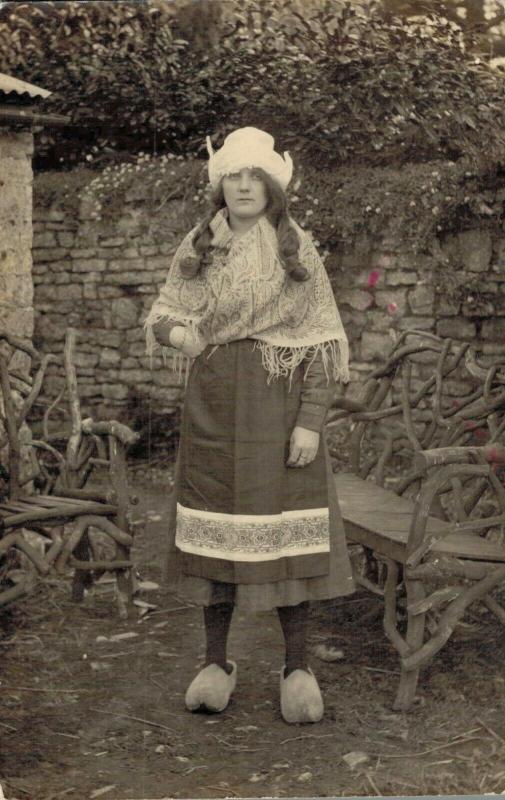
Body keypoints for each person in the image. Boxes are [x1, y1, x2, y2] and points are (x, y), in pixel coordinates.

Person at [145, 127, 354, 724]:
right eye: (232, 176)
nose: (242, 186)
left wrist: (310, 423)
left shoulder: (297, 247)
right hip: (212, 405)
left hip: (281, 405)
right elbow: (163, 312)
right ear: (220, 186)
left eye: (254, 177)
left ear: (271, 187)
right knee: (215, 536)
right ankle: (217, 662)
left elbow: (317, 341)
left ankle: (297, 667)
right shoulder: (197, 244)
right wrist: (179, 332)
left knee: (290, 537)